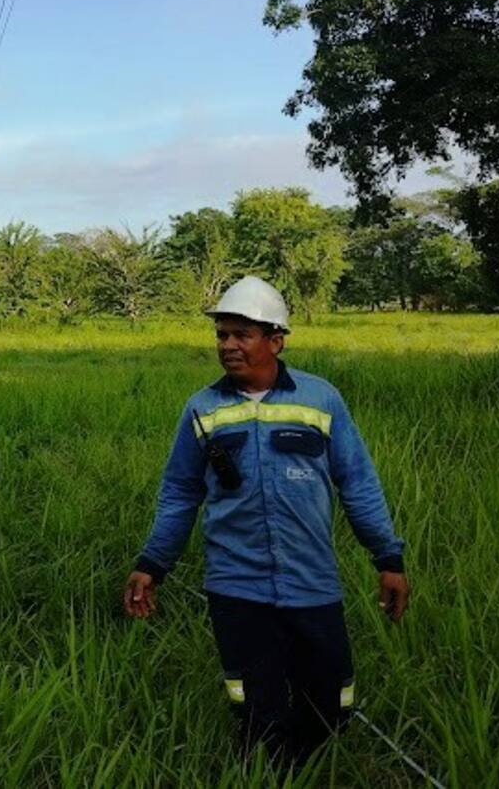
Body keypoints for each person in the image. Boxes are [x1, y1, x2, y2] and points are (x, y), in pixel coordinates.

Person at [123, 276, 409, 764]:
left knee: (329, 700)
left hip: (312, 581)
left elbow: (357, 481)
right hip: (236, 586)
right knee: (255, 704)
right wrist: (153, 563)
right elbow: (179, 493)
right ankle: (266, 767)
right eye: (222, 335)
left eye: (242, 334)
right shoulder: (202, 410)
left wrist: (388, 556)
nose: (229, 346)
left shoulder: (320, 401)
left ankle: (319, 765)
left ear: (276, 340)